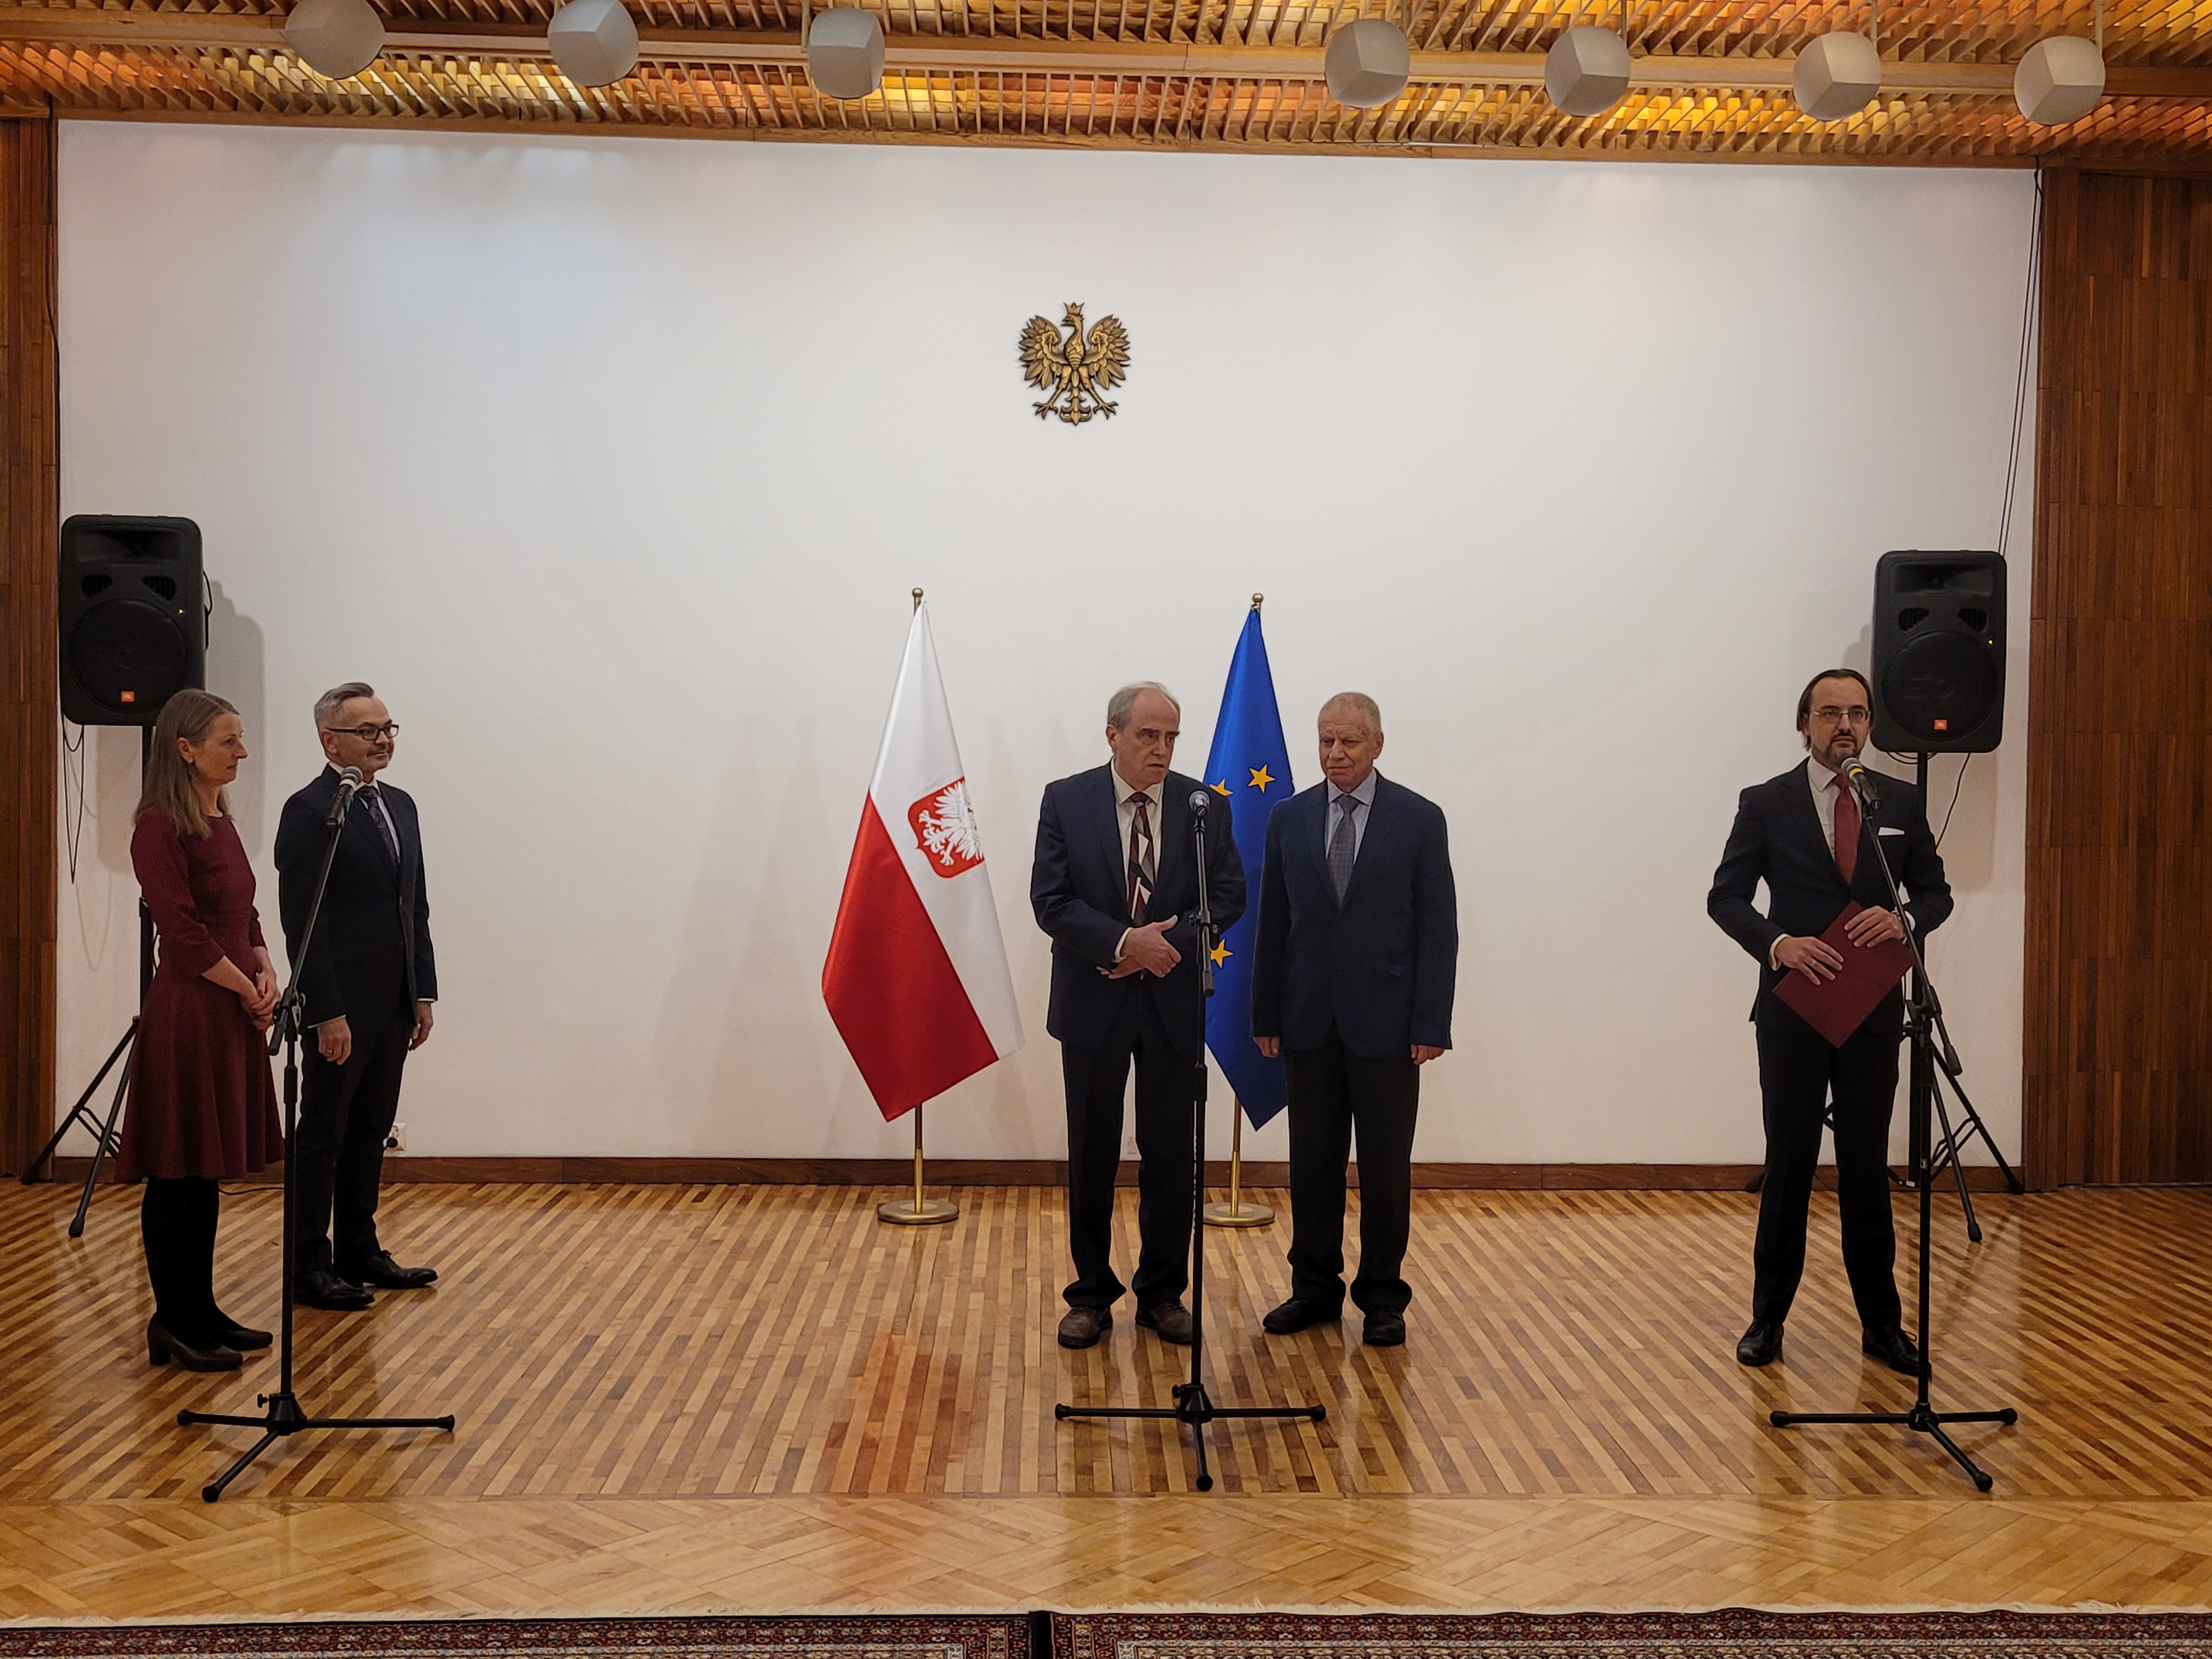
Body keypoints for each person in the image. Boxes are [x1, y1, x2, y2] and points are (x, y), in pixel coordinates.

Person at [1707, 667, 1953, 1376]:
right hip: (1795, 1011)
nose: (1845, 725)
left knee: (1866, 1169)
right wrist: (1778, 943)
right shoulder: (1766, 803)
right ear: (1804, 723)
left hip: (1871, 1012)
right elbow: (1726, 898)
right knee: (1789, 1165)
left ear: (1870, 723)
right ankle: (1768, 1320)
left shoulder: (1897, 801)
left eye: (1857, 713)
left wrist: (1904, 920)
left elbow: (1935, 893)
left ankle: (1882, 1327)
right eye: (1829, 713)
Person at [1030, 682, 1244, 1350]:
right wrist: (1124, 943)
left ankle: (1161, 1293)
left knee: (1172, 1155)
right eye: (1149, 735)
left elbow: (1227, 895)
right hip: (1093, 1001)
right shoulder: (1066, 800)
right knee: (1093, 1153)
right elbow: (1051, 901)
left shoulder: (1203, 807)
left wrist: (1159, 946)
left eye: (1172, 737)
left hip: (1172, 1004)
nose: (1162, 749)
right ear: (1113, 735)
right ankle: (1090, 1295)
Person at [1251, 693, 1457, 1348]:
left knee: (1385, 1168)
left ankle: (1383, 1298)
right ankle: (1313, 1290)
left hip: (1389, 1027)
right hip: (1308, 1023)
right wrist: (1265, 1013)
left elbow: (1438, 929)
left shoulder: (1419, 819)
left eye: (1349, 742)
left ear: (1377, 744)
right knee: (1312, 1164)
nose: (1335, 754)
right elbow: (1273, 923)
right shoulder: (1288, 818)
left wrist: (1431, 1022)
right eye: (1325, 741)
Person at [116, 690, 284, 1372]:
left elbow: (243, 910)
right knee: (176, 1171)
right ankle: (172, 1320)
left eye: (240, 738)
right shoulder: (158, 827)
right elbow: (182, 933)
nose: (242, 751)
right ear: (185, 749)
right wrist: (247, 988)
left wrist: (265, 964)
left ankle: (202, 1309)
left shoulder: (220, 817)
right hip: (191, 1011)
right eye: (228, 740)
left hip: (231, 1005)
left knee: (205, 1170)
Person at [274, 682, 439, 1312]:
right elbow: (303, 921)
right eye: (368, 731)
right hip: (340, 1006)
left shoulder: (401, 806)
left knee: (371, 1130)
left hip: (393, 1001)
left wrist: (422, 991)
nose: (383, 740)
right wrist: (326, 1011)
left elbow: (413, 906)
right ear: (330, 741)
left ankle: (359, 1251)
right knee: (323, 1135)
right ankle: (308, 1265)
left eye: (388, 728)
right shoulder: (311, 811)